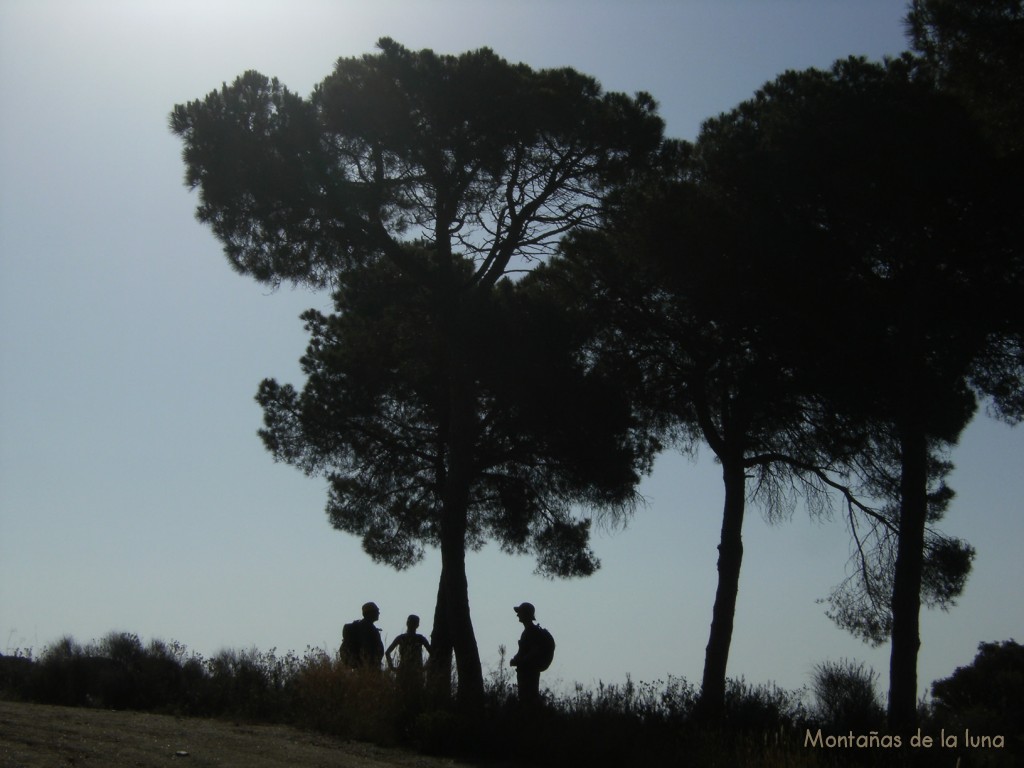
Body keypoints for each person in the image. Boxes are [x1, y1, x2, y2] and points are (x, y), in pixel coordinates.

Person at [510, 602, 545, 704]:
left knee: (529, 699)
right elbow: (522, 651)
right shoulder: (527, 632)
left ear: (525, 614)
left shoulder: (531, 632)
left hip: (530, 672)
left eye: (519, 613)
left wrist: (521, 661)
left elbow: (534, 651)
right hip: (525, 671)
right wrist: (516, 659)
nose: (517, 615)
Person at [342, 601, 385, 669]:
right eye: (376, 611)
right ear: (369, 613)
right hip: (367, 667)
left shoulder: (367, 627)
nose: (378, 613)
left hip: (365, 666)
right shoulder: (366, 628)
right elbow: (366, 648)